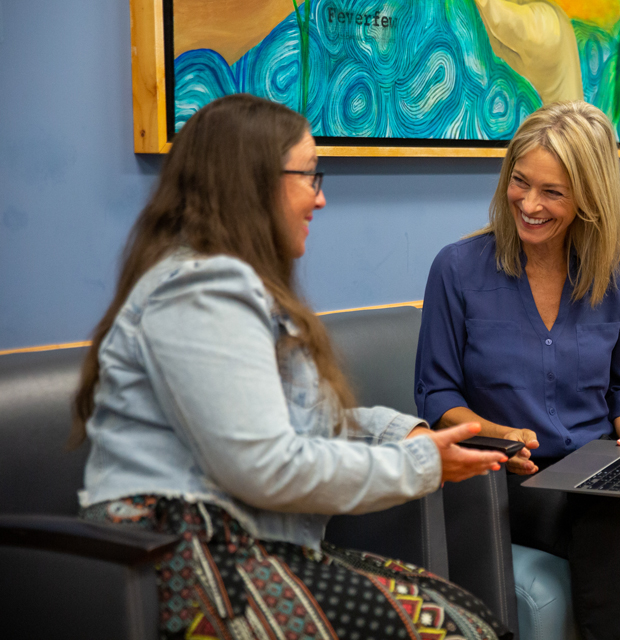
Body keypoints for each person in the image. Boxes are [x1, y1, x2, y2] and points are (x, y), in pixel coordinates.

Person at [73, 94, 512, 640]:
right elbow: (265, 464)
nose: (320, 199)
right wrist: (419, 464)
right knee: (455, 631)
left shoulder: (232, 287)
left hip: (246, 545)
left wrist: (407, 433)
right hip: (185, 561)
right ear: (253, 182)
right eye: (309, 176)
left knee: (471, 619)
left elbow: (289, 422)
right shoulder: (202, 291)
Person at [414, 101, 620, 640]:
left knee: (610, 514)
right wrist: (499, 434)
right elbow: (436, 395)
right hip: (505, 480)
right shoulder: (456, 269)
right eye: (519, 182)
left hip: (592, 475)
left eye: (552, 192)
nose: (528, 204)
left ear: (589, 198)